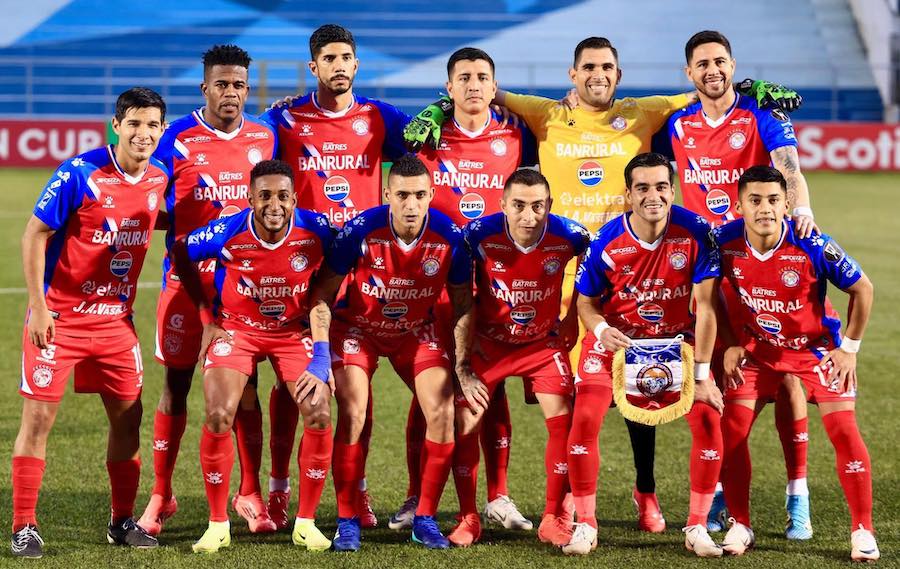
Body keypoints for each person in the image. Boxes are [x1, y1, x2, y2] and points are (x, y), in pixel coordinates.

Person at [492, 36, 800, 531]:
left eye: (607, 67)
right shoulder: (546, 113)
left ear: (619, 74)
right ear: (573, 74)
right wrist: (444, 106)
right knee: (571, 397)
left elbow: (705, 88)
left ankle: (646, 492)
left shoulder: (644, 112)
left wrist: (750, 87)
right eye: (588, 67)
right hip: (564, 280)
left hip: (634, 271)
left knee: (642, 387)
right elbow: (487, 91)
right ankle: (565, 502)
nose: (598, 75)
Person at [259, 24, 414, 527]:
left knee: (353, 393)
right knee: (290, 383)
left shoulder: (379, 117)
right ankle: (278, 488)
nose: (339, 66)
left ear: (357, 63)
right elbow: (243, 144)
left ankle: (357, 492)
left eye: (346, 57)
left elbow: (435, 139)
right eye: (329, 58)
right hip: (300, 269)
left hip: (360, 272)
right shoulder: (284, 118)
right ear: (313, 67)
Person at [669, 30, 816, 537]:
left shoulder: (761, 113)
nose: (713, 70)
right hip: (711, 266)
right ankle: (717, 493)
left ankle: (798, 493)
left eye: (720, 61)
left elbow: (788, 166)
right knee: (716, 378)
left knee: (788, 375)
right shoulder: (677, 122)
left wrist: (801, 208)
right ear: (689, 73)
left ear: (733, 66)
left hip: (762, 256)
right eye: (702, 63)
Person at [11, 87, 168, 558]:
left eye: (152, 125)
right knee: (38, 418)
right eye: (134, 123)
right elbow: (34, 234)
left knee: (128, 418)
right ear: (116, 126)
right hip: (58, 320)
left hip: (116, 323)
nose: (143, 133)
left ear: (162, 130)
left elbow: (161, 216)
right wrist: (38, 306)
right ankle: (23, 526)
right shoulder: (79, 173)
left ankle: (121, 522)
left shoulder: (159, 178)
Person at [390, 46, 539, 533]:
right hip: (437, 285)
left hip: (497, 285)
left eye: (482, 77)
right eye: (464, 77)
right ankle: (417, 495)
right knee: (430, 388)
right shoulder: (427, 135)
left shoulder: (516, 134)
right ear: (448, 87)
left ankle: (498, 496)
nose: (474, 85)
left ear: (494, 86)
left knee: (492, 387)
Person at [140, 43, 281, 536]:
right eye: (221, 84)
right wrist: (183, 227)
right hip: (184, 284)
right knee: (175, 387)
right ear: (205, 87)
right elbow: (147, 199)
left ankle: (250, 492)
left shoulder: (265, 135)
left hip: (244, 287)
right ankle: (162, 494)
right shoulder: (175, 137)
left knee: (245, 389)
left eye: (239, 84)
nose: (231, 93)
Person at [170, 159, 336, 553]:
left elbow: (341, 266)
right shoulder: (228, 231)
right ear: (249, 198)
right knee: (218, 414)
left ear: (295, 199)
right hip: (237, 331)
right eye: (264, 196)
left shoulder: (318, 231)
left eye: (282, 196)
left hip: (291, 333)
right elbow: (180, 251)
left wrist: (322, 343)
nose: (274, 205)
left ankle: (306, 523)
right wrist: (206, 316)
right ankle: (217, 524)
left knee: (319, 412)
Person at [308, 153, 472, 551]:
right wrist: (320, 355)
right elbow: (322, 294)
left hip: (415, 331)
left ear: (431, 194)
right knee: (353, 413)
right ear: (387, 195)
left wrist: (463, 365)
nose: (411, 205)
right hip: (359, 330)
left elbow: (463, 304)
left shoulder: (451, 237)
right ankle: (347, 521)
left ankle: (425, 519)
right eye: (402, 195)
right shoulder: (360, 231)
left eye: (419, 195)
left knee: (443, 413)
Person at [715, 166, 878, 562]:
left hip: (816, 350)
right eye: (755, 200)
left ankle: (862, 530)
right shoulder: (723, 242)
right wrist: (732, 342)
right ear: (739, 205)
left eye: (773, 200)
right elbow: (708, 294)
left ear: (786, 204)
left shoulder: (812, 243)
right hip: (760, 350)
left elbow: (863, 288)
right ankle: (740, 523)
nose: (765, 209)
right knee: (730, 431)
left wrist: (849, 348)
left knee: (843, 430)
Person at [566, 152, 724, 557]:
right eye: (642, 188)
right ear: (628, 194)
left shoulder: (697, 233)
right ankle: (586, 524)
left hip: (675, 343)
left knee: (708, 418)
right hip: (617, 343)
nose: (653, 196)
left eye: (661, 186)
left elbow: (707, 308)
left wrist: (702, 376)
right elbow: (585, 304)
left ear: (672, 190)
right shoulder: (605, 240)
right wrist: (601, 331)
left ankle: (697, 526)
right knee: (585, 418)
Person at [446, 169, 589, 548]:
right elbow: (459, 294)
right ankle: (468, 518)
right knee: (465, 421)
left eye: (538, 206)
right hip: (489, 345)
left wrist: (573, 316)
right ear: (503, 205)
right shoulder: (477, 235)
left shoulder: (571, 235)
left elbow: (593, 264)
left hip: (541, 345)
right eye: (520, 206)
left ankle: (554, 517)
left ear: (550, 205)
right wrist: (464, 354)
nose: (529, 216)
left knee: (565, 422)